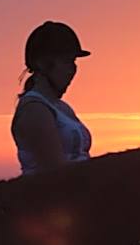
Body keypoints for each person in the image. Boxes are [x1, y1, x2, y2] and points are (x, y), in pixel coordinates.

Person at [11, 20, 92, 174]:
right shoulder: (34, 110)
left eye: (73, 62)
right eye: (66, 62)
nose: (72, 70)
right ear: (43, 64)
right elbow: (56, 175)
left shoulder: (63, 108)